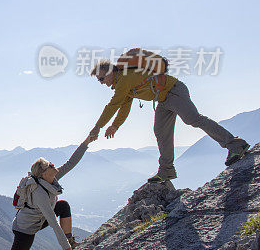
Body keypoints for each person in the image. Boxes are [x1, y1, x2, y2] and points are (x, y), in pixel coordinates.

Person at [89, 56, 250, 183]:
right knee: (160, 131)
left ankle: (235, 144)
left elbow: (114, 104)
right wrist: (115, 126)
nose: (101, 83)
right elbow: (124, 106)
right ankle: (166, 170)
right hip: (163, 99)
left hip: (173, 91)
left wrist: (97, 127)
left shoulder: (124, 78)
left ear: (110, 72)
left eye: (101, 79)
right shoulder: (121, 84)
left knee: (193, 119)